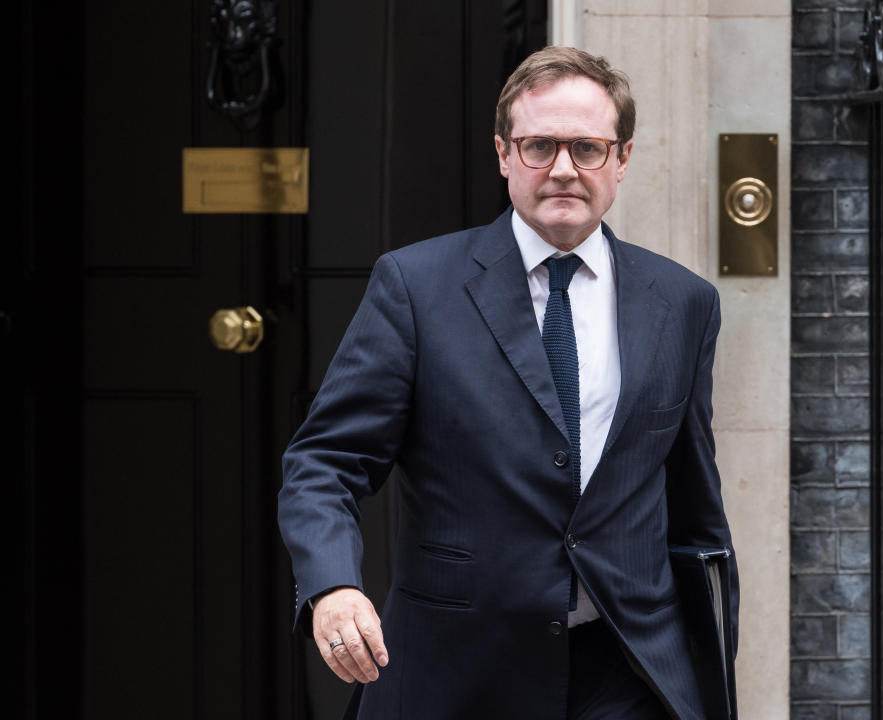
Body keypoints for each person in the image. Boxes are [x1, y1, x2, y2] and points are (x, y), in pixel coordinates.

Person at [278, 45, 738, 720]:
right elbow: (325, 462)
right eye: (539, 145)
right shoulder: (415, 287)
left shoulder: (684, 302)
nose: (562, 169)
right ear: (503, 154)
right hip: (460, 670)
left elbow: (696, 504)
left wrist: (710, 663)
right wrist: (333, 585)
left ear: (622, 159)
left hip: (631, 671)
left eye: (586, 147)